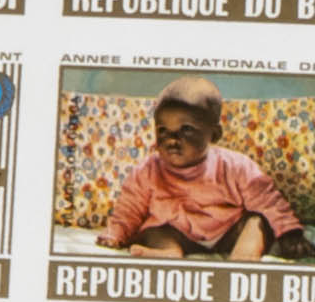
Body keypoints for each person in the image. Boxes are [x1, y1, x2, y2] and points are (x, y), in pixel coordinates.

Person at [98, 81, 292, 261]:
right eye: (163, 130)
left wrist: (290, 232)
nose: (172, 139)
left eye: (186, 129)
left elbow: (268, 200)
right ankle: (169, 253)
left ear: (213, 134)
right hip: (178, 234)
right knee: (152, 231)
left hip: (228, 232)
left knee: (257, 221)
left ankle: (243, 258)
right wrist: (116, 233)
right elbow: (129, 207)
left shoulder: (235, 166)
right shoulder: (148, 170)